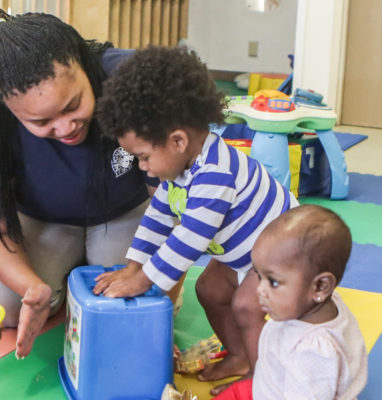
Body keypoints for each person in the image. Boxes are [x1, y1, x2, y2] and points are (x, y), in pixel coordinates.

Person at [90, 46, 296, 393]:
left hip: (281, 253)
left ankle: (263, 382)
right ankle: (241, 355)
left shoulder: (215, 173)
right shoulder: (179, 169)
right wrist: (133, 264)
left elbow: (189, 238)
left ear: (178, 141)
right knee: (208, 288)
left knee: (246, 305)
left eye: (143, 157)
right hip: (243, 254)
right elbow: (158, 216)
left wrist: (143, 281)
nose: (141, 167)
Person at [0, 9, 157, 358]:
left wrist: (153, 285)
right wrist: (32, 288)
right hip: (40, 219)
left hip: (125, 212)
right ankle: (64, 270)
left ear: (81, 64)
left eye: (73, 105)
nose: (65, 128)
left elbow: (174, 202)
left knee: (131, 304)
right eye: (41, 121)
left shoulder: (131, 80)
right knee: (1, 309)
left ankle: (83, 264)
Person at [213, 205, 368, 400]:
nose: (260, 289)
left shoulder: (314, 353)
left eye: (274, 282)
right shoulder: (314, 305)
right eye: (259, 276)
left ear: (320, 287)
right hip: (271, 385)